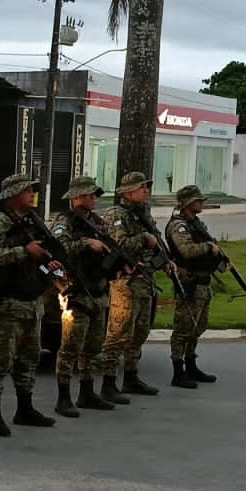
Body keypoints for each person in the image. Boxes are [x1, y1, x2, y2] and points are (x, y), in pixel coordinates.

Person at [0, 174, 60, 436]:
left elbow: (38, 254)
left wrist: (49, 264)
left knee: (29, 359)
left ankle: (25, 408)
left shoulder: (31, 221)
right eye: (28, 190)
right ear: (13, 194)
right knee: (0, 361)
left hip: (32, 300)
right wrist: (26, 252)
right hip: (9, 303)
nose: (33, 194)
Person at [50, 176, 121, 416]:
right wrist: (85, 243)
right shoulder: (65, 221)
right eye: (89, 194)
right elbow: (57, 246)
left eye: (95, 194)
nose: (94, 198)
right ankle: (63, 397)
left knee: (93, 346)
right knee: (70, 347)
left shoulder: (97, 222)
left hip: (98, 291)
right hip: (76, 292)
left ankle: (87, 392)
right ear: (76, 197)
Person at [100, 171, 164, 401]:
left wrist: (164, 261)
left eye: (146, 186)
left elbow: (156, 240)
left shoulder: (143, 213)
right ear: (127, 192)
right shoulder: (116, 214)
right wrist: (144, 239)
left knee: (140, 331)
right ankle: (108, 382)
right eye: (141, 187)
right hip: (126, 282)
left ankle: (131, 376)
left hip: (146, 280)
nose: (146, 190)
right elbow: (119, 244)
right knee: (118, 333)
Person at [165, 185, 221, 389]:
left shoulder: (196, 224)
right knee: (183, 329)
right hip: (189, 283)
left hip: (203, 282)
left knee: (199, 326)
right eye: (198, 200)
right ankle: (178, 371)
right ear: (188, 203)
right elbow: (187, 251)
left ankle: (191, 364)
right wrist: (209, 247)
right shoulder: (179, 226)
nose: (202, 203)